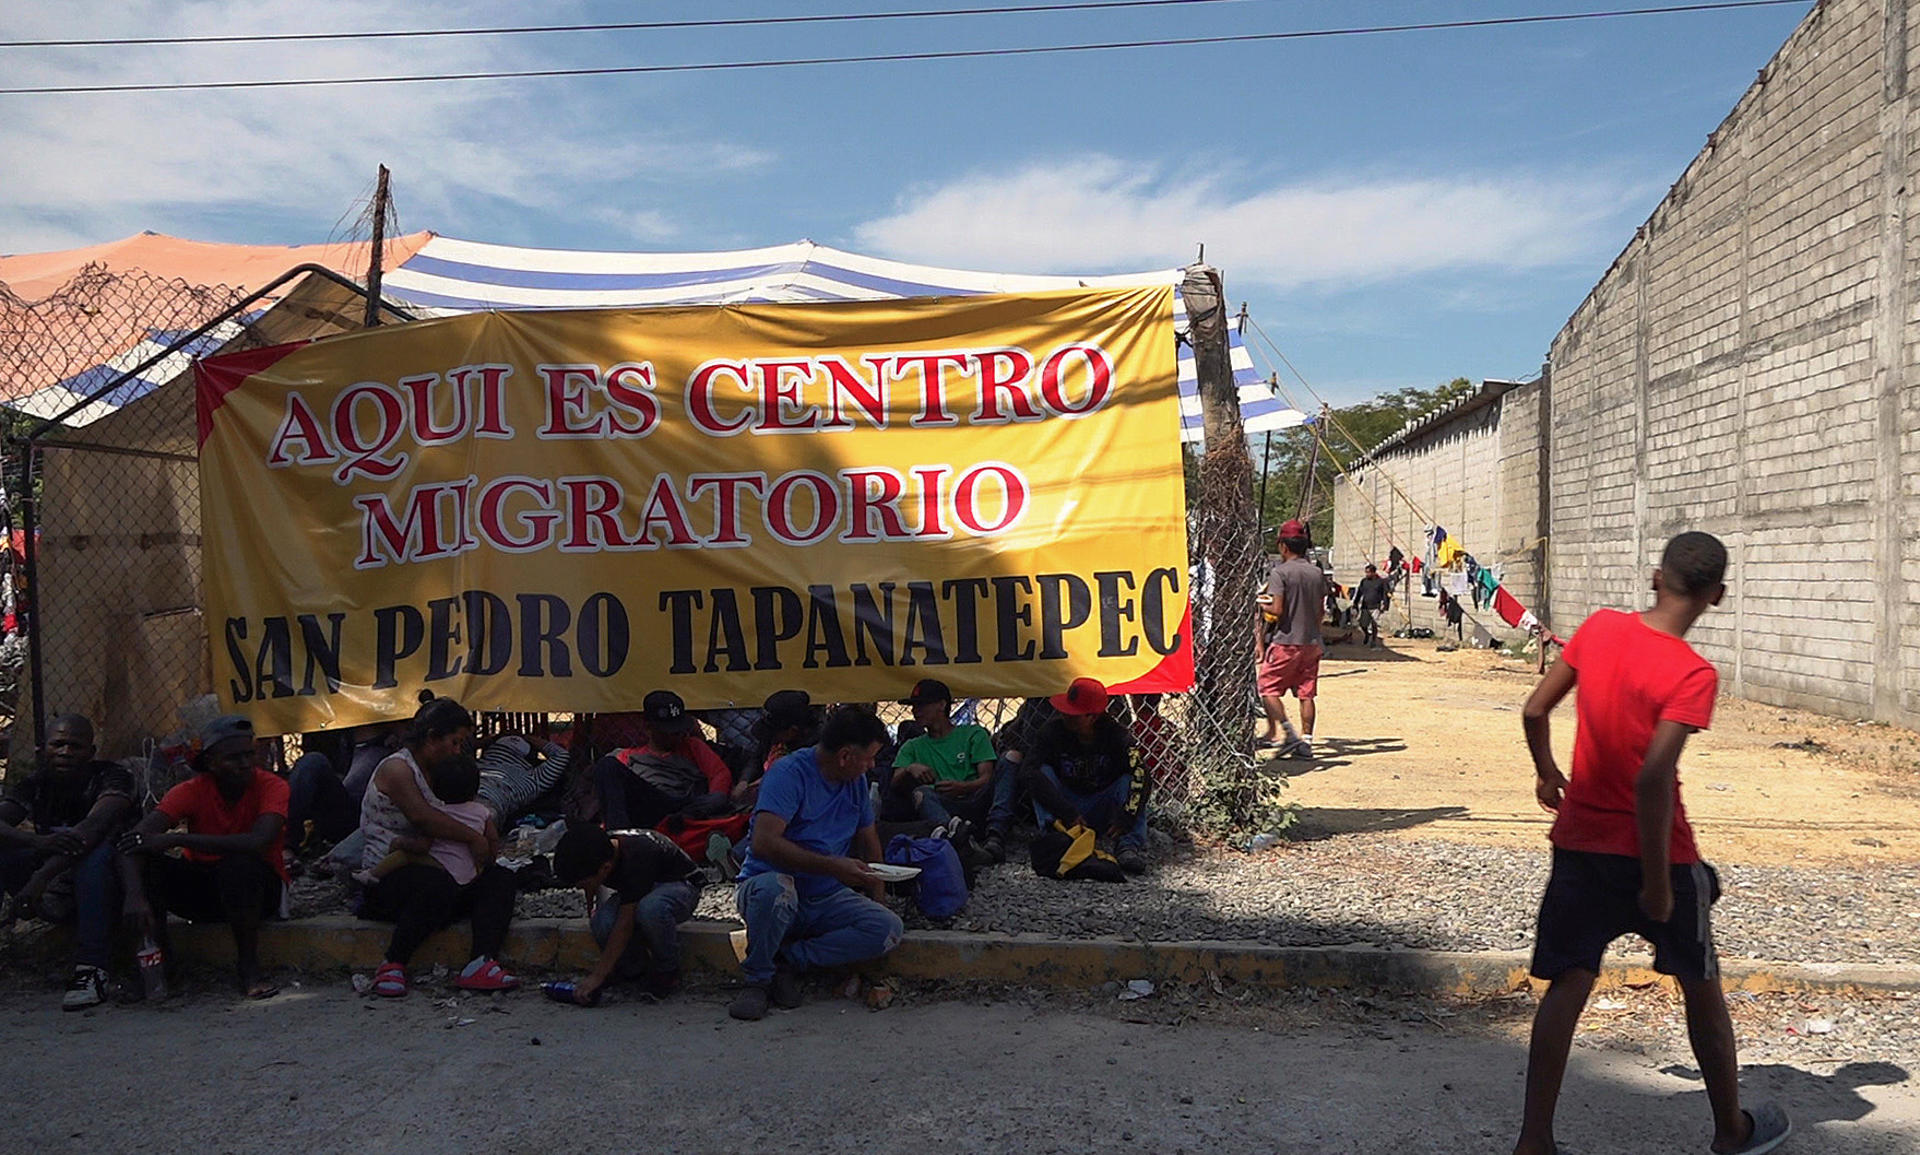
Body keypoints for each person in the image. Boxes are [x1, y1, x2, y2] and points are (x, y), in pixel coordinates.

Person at [1512, 532, 1789, 1155]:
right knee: (1700, 986)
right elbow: (1653, 776)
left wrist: (1547, 771)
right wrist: (1659, 885)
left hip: (1580, 844)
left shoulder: (1601, 629)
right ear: (1716, 596)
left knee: (1569, 983)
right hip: (1661, 856)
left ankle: (1535, 1139)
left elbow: (1534, 711)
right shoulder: (1692, 673)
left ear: (1655, 577)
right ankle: (1729, 1132)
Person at [729, 706, 903, 1022]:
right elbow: (764, 843)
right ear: (845, 756)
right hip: (772, 884)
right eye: (869, 757)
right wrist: (834, 867)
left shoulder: (856, 783)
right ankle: (757, 980)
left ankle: (788, 961)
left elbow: (869, 840)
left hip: (824, 895)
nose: (872, 765)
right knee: (775, 890)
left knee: (887, 929)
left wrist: (879, 897)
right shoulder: (788, 774)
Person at [356, 695, 520, 998]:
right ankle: (392, 964)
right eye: (455, 742)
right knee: (437, 885)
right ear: (432, 738)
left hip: (441, 874)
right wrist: (474, 838)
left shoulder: (443, 773)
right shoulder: (397, 769)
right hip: (393, 875)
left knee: (501, 879)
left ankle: (481, 962)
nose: (458, 751)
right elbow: (423, 818)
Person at [119, 715, 288, 1000]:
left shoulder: (272, 785)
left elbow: (259, 841)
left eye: (249, 755)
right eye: (233, 758)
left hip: (258, 892)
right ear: (211, 763)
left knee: (239, 865)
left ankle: (249, 968)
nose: (245, 764)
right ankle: (162, 968)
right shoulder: (190, 791)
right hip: (206, 890)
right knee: (149, 866)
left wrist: (178, 838)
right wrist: (134, 896)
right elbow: (134, 842)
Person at [0, 714, 135, 1009]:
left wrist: (39, 879)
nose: (65, 752)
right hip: (57, 885)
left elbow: (94, 829)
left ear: (91, 752)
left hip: (113, 886)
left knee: (95, 855)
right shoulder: (35, 784)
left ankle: (92, 968)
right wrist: (36, 842)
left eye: (75, 746)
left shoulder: (113, 777)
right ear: (42, 750)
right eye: (58, 744)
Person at [552, 824, 702, 1004]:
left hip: (679, 886)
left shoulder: (637, 856)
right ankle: (633, 970)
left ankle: (667, 970)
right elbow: (594, 886)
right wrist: (591, 902)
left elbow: (625, 923)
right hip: (642, 888)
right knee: (601, 921)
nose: (582, 888)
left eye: (583, 884)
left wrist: (598, 974)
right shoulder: (600, 851)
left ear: (605, 868)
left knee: (650, 909)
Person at [1023, 678, 1150, 874]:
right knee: (1042, 773)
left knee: (1130, 778)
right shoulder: (1051, 732)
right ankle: (1055, 837)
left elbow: (1142, 775)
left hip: (1102, 804)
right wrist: (1067, 812)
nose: (1065, 716)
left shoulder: (1118, 737)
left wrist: (1127, 816)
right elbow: (1029, 771)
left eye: (1074, 715)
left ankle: (1128, 845)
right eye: (1065, 710)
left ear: (1093, 716)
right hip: (1066, 805)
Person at [591, 690, 744, 830]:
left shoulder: (692, 746)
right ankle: (619, 836)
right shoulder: (626, 756)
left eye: (678, 730)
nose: (676, 736)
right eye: (668, 732)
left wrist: (711, 806)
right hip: (644, 807)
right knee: (607, 764)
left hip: (679, 807)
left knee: (717, 798)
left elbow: (720, 775)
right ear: (648, 727)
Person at [889, 678, 1000, 845]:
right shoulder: (912, 746)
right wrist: (909, 769)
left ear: (942, 705)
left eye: (922, 705)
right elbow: (894, 782)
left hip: (974, 800)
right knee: (922, 794)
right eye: (913, 706)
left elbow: (987, 778)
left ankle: (992, 835)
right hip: (940, 805)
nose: (914, 711)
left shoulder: (973, 734)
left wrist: (963, 787)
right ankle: (954, 836)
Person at [365, 755, 494, 885]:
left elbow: (423, 846)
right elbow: (493, 838)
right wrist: (488, 862)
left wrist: (400, 843)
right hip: (469, 873)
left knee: (403, 856)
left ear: (434, 788)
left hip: (439, 868)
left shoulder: (436, 815)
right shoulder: (482, 812)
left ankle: (372, 874)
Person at [1257, 532, 1325, 760]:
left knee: (1267, 688)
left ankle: (1287, 733)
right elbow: (1320, 610)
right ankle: (1306, 742)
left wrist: (1258, 603)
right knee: (1307, 694)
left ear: (1284, 546)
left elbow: (1276, 610)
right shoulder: (1316, 573)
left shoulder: (1280, 573)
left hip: (1286, 641)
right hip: (1312, 641)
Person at [1353, 564, 1390, 648]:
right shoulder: (1364, 582)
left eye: (1369, 572)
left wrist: (1384, 604)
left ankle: (1373, 640)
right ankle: (1366, 634)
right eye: (1366, 572)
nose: (1367, 574)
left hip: (1376, 606)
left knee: (1374, 623)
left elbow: (1385, 594)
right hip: (1365, 606)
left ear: (1373, 572)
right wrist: (1355, 603)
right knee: (1363, 624)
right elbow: (1359, 593)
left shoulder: (1381, 582)